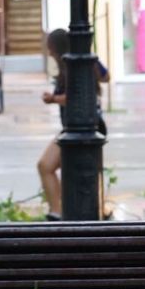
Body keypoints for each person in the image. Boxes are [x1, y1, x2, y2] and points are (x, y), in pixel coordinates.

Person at [38, 28, 109, 219]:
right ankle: (72, 211)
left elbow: (74, 96)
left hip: (83, 127)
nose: (49, 53)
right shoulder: (77, 63)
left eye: (50, 49)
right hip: (80, 126)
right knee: (77, 172)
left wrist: (53, 99)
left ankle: (58, 213)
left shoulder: (73, 63)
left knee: (47, 165)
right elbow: (105, 76)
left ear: (56, 48)